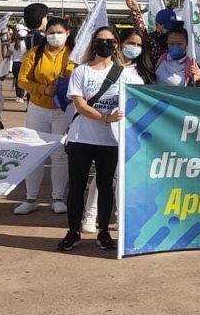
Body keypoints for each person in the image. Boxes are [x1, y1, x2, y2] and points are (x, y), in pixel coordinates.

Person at [59, 27, 142, 251]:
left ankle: (103, 231)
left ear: (116, 44)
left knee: (105, 187)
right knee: (76, 186)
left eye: (109, 41)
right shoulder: (81, 71)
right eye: (100, 40)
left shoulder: (126, 74)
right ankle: (73, 231)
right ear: (93, 43)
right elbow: (80, 105)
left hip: (110, 140)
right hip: (81, 138)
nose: (104, 45)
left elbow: (141, 98)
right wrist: (106, 117)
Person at [16, 17, 76, 215]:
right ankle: (30, 198)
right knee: (35, 153)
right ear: (45, 34)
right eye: (51, 32)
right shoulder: (35, 53)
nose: (55, 36)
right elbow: (22, 80)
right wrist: (43, 89)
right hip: (38, 108)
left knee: (60, 155)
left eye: (60, 32)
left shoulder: (75, 54)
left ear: (68, 34)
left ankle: (57, 198)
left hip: (64, 109)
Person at [11, 27, 28, 102]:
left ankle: (18, 95)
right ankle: (21, 96)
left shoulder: (13, 45)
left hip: (15, 64)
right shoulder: (26, 45)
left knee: (16, 79)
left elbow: (8, 54)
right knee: (22, 80)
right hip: (23, 63)